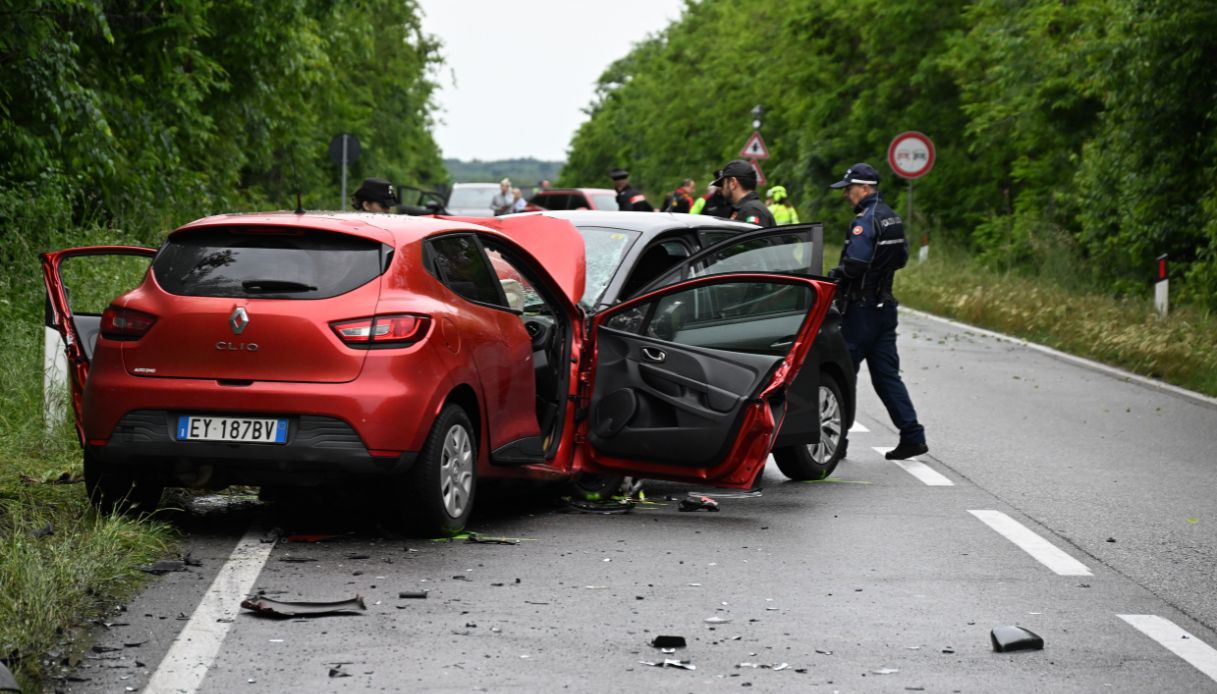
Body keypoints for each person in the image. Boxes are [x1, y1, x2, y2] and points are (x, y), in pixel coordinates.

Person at [827, 162, 927, 460]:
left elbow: (856, 263)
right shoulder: (891, 218)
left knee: (844, 374)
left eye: (849, 189)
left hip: (860, 311)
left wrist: (835, 275)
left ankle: (837, 441)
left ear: (864, 188)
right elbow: (903, 258)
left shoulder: (865, 220)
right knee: (886, 376)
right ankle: (912, 435)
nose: (846, 195)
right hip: (885, 307)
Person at [712, 159, 775, 227]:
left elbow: (753, 237)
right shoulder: (746, 209)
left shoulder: (752, 211)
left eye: (723, 184)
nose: (721, 189)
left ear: (733, 183)